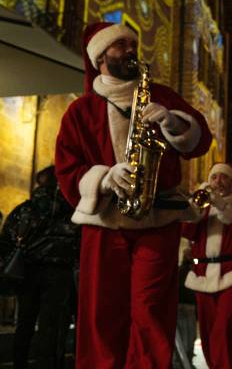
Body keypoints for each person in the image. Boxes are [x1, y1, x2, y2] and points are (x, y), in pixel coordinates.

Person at [55, 22, 212, 368]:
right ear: (100, 57)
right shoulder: (80, 112)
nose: (130, 49)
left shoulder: (162, 95)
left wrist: (173, 123)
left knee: (151, 310)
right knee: (101, 311)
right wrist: (105, 178)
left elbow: (201, 141)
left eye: (131, 43)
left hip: (157, 219)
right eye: (120, 45)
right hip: (105, 222)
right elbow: (66, 170)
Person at [0, 165, 80, 369]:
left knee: (24, 325)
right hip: (60, 274)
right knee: (51, 330)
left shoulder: (26, 208)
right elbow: (80, 243)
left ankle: (20, 364)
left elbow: (3, 243)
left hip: (28, 271)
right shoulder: (72, 210)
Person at [181, 162, 232, 369]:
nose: (217, 182)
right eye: (214, 177)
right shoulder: (203, 209)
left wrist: (220, 204)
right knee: (207, 332)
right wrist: (195, 208)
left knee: (224, 329)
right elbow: (185, 230)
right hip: (203, 275)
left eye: (223, 178)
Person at [173, 238, 197, 369]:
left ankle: (179, 364)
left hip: (178, 305)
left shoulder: (177, 271)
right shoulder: (193, 271)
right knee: (188, 339)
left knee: (180, 340)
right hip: (188, 306)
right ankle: (186, 364)